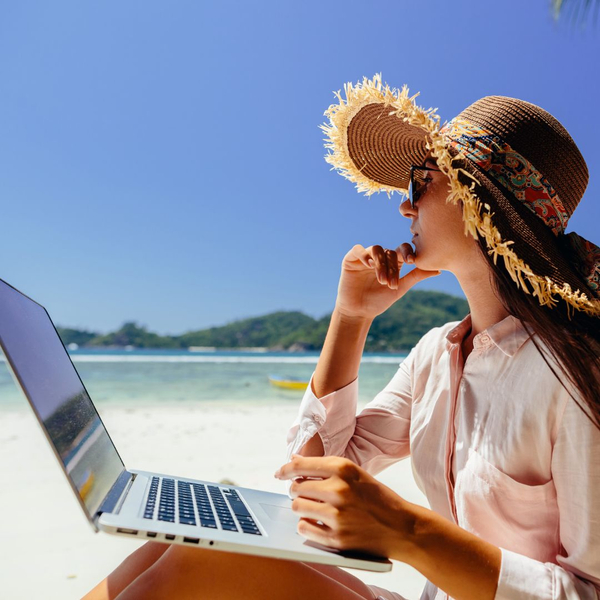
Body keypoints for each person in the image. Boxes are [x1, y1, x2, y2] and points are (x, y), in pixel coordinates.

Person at [83, 75, 600, 599]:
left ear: (477, 202)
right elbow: (314, 481)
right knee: (190, 542)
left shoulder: (575, 375)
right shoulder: (435, 355)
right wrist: (350, 318)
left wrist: (410, 532)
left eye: (420, 182)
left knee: (190, 570)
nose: (405, 206)